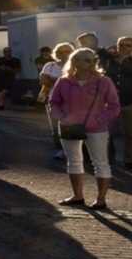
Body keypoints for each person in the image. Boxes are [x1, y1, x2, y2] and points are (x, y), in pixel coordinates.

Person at [49, 48, 121, 209]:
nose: (91, 63)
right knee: (74, 162)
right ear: (75, 61)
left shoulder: (104, 81)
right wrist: (63, 118)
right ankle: (77, 196)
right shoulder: (64, 81)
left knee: (100, 163)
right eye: (86, 59)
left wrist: (99, 119)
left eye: (92, 60)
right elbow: (53, 102)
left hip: (97, 129)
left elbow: (114, 106)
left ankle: (101, 200)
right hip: (70, 127)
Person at [104, 37, 132, 170]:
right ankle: (108, 159)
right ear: (117, 46)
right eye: (121, 45)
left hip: (130, 102)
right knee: (107, 133)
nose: (124, 47)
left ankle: (130, 160)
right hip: (109, 104)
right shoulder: (107, 62)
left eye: (128, 45)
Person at [40, 43, 76, 161]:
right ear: (56, 54)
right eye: (60, 52)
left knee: (72, 126)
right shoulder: (50, 65)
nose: (64, 54)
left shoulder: (76, 66)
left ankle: (73, 151)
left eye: (67, 51)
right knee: (56, 128)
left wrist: (55, 81)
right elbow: (44, 80)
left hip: (73, 102)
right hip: (53, 101)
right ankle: (61, 150)